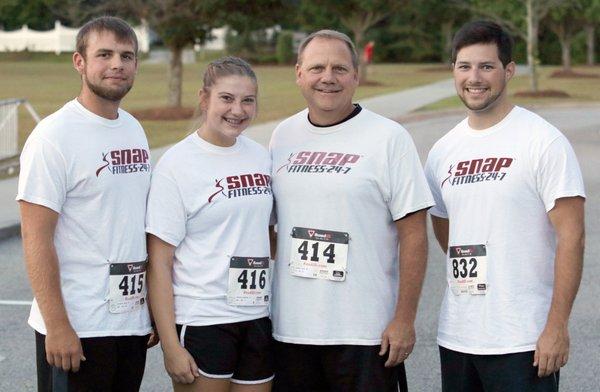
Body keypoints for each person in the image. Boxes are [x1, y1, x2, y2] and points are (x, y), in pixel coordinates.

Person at [424, 21, 586, 392]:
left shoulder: (542, 141)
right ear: (453, 71)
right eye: (464, 66)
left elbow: (572, 238)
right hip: (458, 336)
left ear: (509, 71)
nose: (474, 77)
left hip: (524, 340)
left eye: (486, 66)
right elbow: (445, 226)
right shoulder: (442, 151)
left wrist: (557, 326)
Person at [268, 30, 434, 392]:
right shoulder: (282, 136)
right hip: (291, 329)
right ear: (299, 73)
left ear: (356, 75)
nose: (328, 77)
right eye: (317, 68)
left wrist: (404, 318)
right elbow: (269, 226)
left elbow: (414, 234)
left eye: (339, 68)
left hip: (364, 332)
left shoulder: (388, 138)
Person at [17, 16, 155, 391]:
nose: (117, 65)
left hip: (129, 321)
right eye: (105, 54)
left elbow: (133, 224)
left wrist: (151, 309)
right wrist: (57, 326)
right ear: (80, 62)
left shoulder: (132, 128)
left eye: (127, 56)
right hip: (78, 328)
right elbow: (35, 238)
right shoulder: (53, 136)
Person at [146, 57, 274, 392]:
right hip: (204, 319)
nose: (238, 110)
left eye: (248, 100)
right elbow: (159, 262)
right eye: (227, 99)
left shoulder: (261, 156)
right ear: (205, 99)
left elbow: (267, 233)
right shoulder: (176, 165)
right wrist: (171, 346)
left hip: (256, 316)